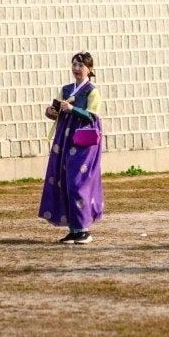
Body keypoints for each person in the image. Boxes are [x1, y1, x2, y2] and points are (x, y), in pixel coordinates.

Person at [39, 51, 104, 244]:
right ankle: (74, 229)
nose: (77, 69)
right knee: (64, 181)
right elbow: (56, 112)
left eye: (81, 66)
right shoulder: (66, 90)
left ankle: (83, 229)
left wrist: (73, 109)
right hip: (64, 140)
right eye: (74, 64)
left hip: (83, 142)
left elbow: (92, 116)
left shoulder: (92, 91)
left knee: (78, 183)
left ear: (89, 70)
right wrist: (51, 111)